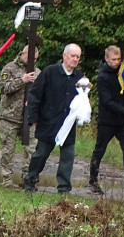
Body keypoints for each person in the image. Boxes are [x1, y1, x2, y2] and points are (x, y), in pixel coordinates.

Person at [24, 43, 85, 194]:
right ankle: (30, 179)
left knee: (68, 156)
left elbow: (85, 100)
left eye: (78, 57)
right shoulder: (49, 72)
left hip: (68, 125)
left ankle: (64, 188)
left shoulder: (80, 77)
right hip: (48, 122)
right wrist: (32, 117)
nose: (75, 59)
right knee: (41, 154)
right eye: (73, 56)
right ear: (64, 56)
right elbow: (34, 95)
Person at [88, 45, 124, 195]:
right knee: (99, 150)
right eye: (113, 59)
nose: (116, 62)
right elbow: (107, 102)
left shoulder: (123, 74)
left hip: (122, 122)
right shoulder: (102, 77)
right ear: (107, 58)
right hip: (107, 121)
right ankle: (93, 181)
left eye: (119, 59)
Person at [0, 45, 40, 187]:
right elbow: (4, 88)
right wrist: (22, 80)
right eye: (30, 58)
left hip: (29, 118)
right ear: (23, 54)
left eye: (35, 59)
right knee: (7, 150)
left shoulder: (38, 72)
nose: (32, 61)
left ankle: (27, 179)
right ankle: (7, 179)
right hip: (10, 116)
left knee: (31, 150)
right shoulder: (10, 68)